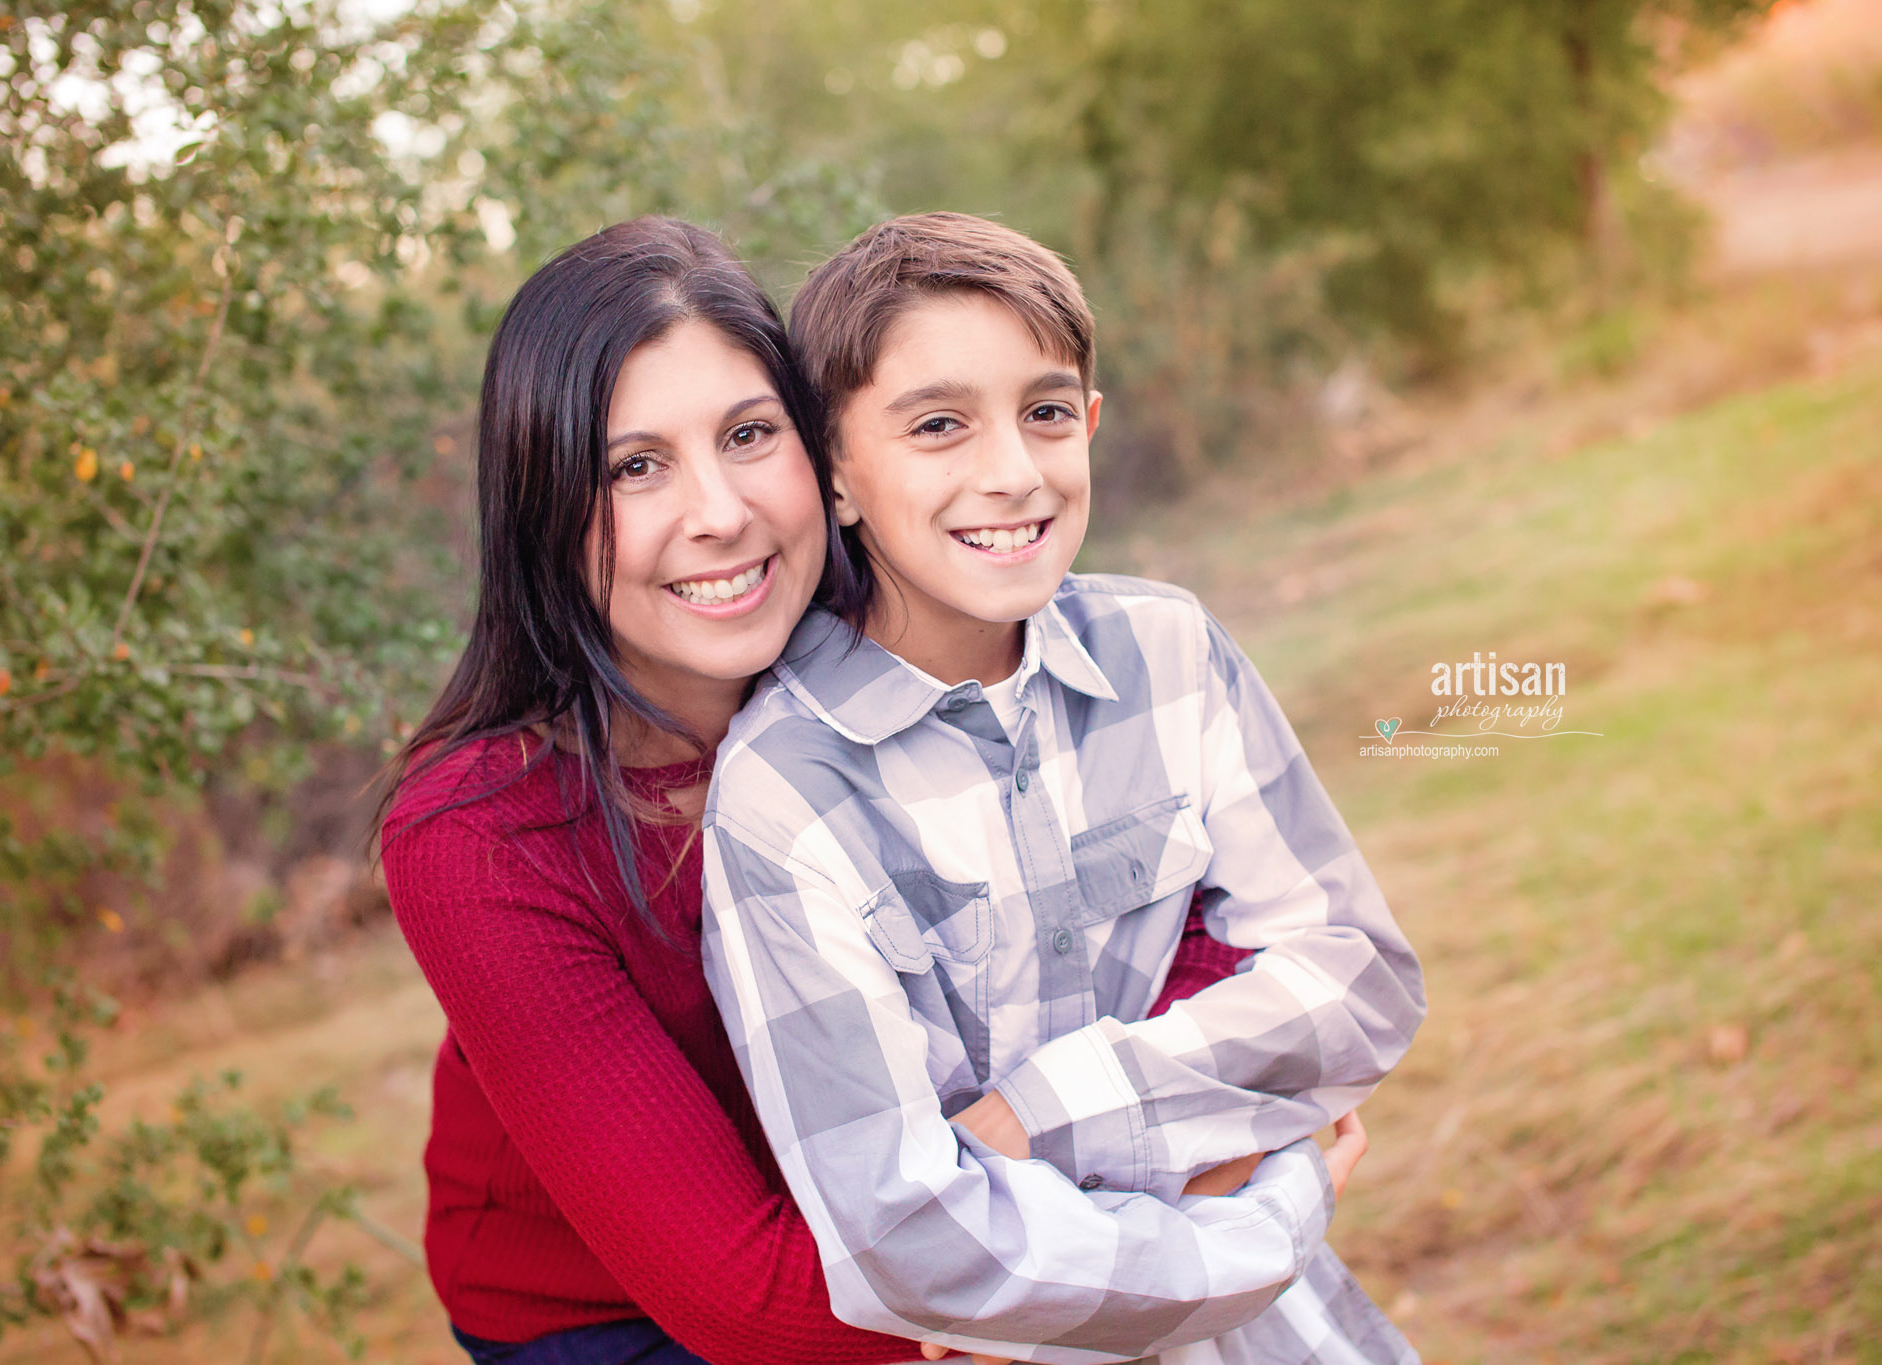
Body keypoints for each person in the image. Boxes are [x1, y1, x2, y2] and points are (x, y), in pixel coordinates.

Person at [379, 216, 1273, 1365]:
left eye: (749, 435)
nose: (718, 511)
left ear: (827, 458)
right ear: (544, 505)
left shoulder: (917, 638)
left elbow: (1198, 910)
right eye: (633, 465)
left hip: (966, 1205)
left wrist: (1190, 1112)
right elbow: (748, 1301)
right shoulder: (481, 837)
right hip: (643, 1314)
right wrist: (1213, 1208)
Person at [698, 213, 1429, 1365]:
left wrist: (1046, 1113)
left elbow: (1356, 980)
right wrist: (1268, 1213)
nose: (1010, 472)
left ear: (1088, 424)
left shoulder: (1167, 653)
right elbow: (906, 1234)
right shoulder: (784, 794)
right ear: (832, 474)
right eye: (937, 425)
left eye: (1044, 413)